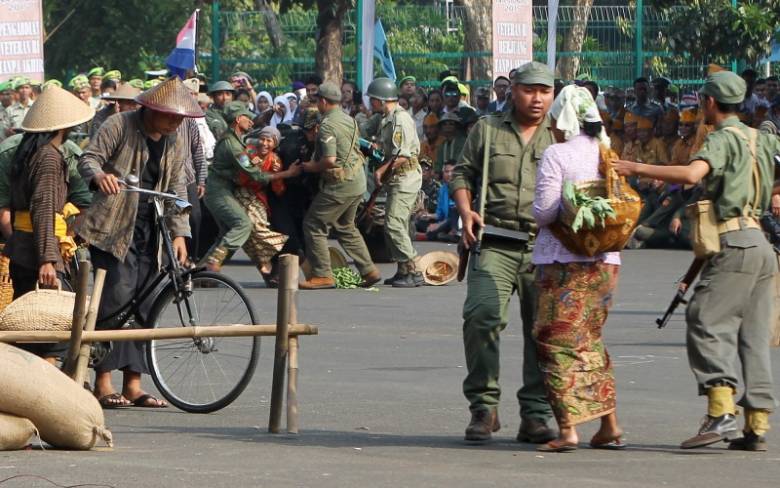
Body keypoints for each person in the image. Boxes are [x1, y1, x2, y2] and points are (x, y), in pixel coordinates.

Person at [614, 70, 780, 451]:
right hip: (759, 243)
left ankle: (721, 411)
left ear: (709, 103)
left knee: (704, 319)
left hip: (735, 244)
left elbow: (691, 174)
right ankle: (757, 424)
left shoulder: (721, 139)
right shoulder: (762, 137)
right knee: (753, 336)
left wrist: (635, 168)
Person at [451, 61, 556, 443]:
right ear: (513, 90)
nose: (537, 99)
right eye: (530, 90)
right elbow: (461, 173)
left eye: (545, 91)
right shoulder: (488, 129)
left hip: (545, 246)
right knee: (481, 316)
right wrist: (465, 213)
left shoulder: (561, 134)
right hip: (494, 240)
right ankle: (483, 407)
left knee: (543, 331)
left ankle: (535, 414)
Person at [76, 77, 197, 408]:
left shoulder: (175, 140)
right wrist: (100, 176)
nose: (176, 122)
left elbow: (178, 190)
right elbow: (87, 159)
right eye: (170, 116)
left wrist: (179, 232)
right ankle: (103, 382)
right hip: (114, 228)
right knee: (114, 301)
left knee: (145, 303)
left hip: (152, 230)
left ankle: (133, 384)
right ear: (151, 109)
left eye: (180, 118)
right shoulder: (120, 125)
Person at [531, 84, 623, 452]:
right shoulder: (606, 149)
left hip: (562, 263)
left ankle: (568, 428)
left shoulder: (557, 154)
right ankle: (609, 425)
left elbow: (544, 212)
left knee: (553, 342)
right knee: (590, 340)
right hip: (605, 262)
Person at [3, 86, 94, 365]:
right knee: (49, 337)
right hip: (38, 253)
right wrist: (48, 259)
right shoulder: (49, 158)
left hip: (22, 248)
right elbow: (43, 209)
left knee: (28, 332)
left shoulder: (28, 153)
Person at [201, 101, 301, 272]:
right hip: (219, 192)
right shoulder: (234, 147)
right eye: (248, 118)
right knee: (243, 224)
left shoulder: (236, 140)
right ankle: (213, 262)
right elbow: (256, 175)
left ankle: (201, 272)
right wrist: (288, 174)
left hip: (222, 189)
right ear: (239, 119)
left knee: (227, 232)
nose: (251, 121)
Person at [299, 83, 379, 289]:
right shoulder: (349, 119)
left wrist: (309, 167)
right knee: (345, 226)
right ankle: (369, 270)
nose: (317, 105)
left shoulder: (327, 125)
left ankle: (323, 274)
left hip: (340, 184)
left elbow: (329, 159)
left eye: (317, 101)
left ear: (324, 102)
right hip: (357, 181)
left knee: (314, 224)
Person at [368, 77, 423, 287]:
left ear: (382, 100)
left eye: (373, 100)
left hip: (405, 176)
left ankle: (414, 269)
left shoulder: (400, 120)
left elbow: (403, 155)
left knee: (393, 224)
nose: (371, 104)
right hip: (397, 177)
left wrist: (381, 171)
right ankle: (403, 269)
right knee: (394, 224)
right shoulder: (387, 118)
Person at [233, 126, 290, 284]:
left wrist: (277, 174)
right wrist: (253, 166)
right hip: (241, 193)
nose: (264, 143)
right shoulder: (249, 151)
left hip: (258, 197)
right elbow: (241, 168)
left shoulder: (275, 160)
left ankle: (270, 260)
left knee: (259, 226)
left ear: (275, 143)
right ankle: (268, 260)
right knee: (248, 229)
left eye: (269, 140)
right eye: (262, 139)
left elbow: (278, 190)